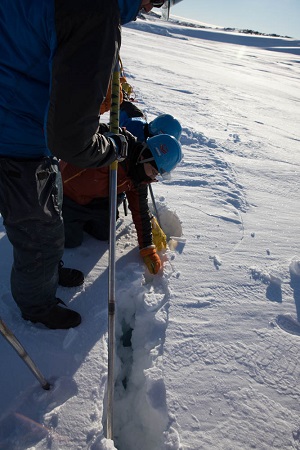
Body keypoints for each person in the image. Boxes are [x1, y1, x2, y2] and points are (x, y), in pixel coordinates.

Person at [0, 0, 168, 330]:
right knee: (41, 235)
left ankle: (45, 270)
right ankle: (37, 305)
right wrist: (112, 148)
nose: (153, 6)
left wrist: (146, 242)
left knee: (52, 224)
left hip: (21, 117)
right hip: (16, 139)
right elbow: (71, 142)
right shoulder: (95, 11)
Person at [60, 125, 182, 274]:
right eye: (153, 172)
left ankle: (79, 221)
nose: (152, 178)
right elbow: (87, 132)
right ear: (145, 157)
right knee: (71, 241)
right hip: (68, 195)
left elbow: (140, 211)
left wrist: (147, 249)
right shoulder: (116, 148)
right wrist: (105, 134)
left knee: (105, 233)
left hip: (98, 201)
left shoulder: (139, 177)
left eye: (156, 175)